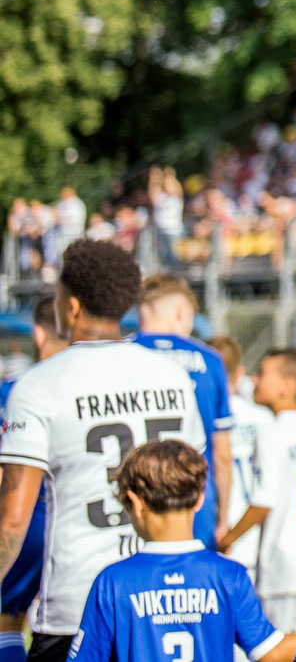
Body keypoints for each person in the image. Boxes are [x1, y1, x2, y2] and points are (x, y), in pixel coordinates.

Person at [0, 240, 206, 662]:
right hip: (162, 597)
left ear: (71, 306)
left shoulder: (39, 384)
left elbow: (14, 518)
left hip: (77, 605)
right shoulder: (172, 378)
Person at [69, 441, 294, 662]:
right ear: (199, 499)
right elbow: (271, 652)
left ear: (135, 503)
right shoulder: (228, 575)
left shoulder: (113, 582)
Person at [218, 350, 296, 629]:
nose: (255, 380)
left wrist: (227, 539)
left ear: (287, 386)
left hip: (282, 573)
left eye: (262, 373)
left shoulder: (271, 433)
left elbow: (264, 502)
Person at [134, 274, 235, 547]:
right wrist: (223, 517)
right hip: (193, 502)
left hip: (137, 501)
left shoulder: (120, 355)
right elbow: (222, 454)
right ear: (182, 311)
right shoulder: (209, 360)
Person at [0, 295, 64, 662]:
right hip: (85, 521)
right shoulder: (90, 380)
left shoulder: (16, 388)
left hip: (28, 517)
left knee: (9, 619)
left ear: (38, 333)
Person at [211, 335, 273, 576]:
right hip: (259, 536)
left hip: (221, 535)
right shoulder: (264, 419)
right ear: (239, 372)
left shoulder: (204, 419)